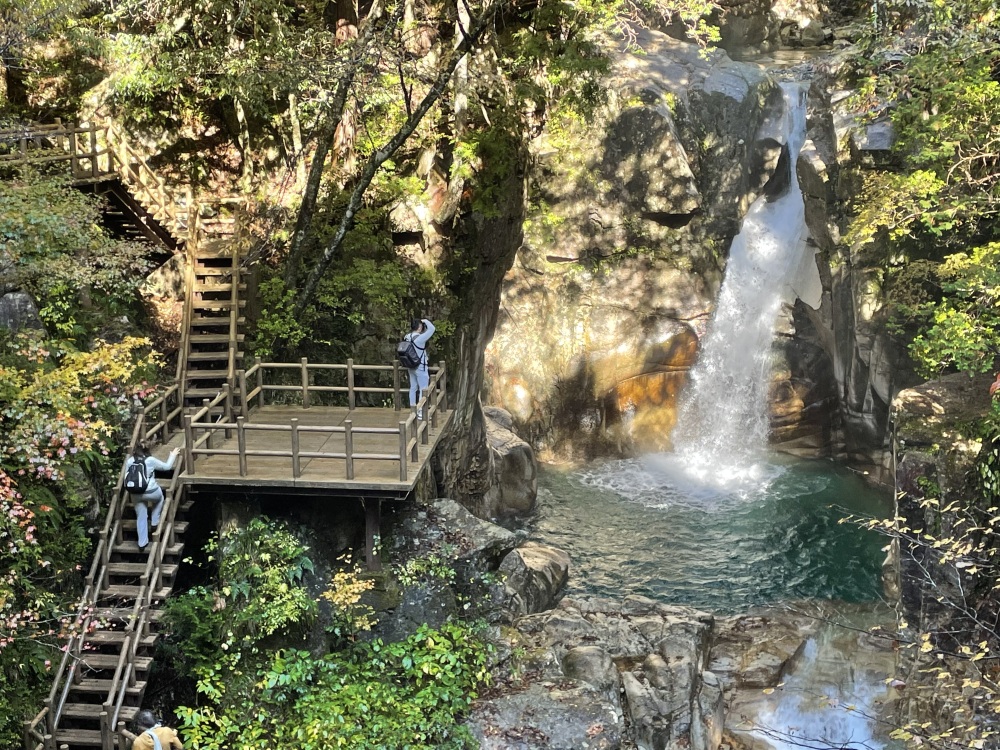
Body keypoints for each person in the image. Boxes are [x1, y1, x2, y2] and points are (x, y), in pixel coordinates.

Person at [125, 443, 180, 551]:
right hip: (151, 491)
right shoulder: (150, 460)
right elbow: (167, 467)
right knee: (160, 499)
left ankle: (142, 543)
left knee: (141, 516)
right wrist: (173, 455)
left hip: (135, 493)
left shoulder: (130, 461)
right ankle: (155, 521)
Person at [404, 317, 435, 412]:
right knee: (423, 389)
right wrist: (425, 321)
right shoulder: (420, 338)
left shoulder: (407, 337)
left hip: (410, 365)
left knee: (413, 387)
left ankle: (413, 409)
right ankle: (421, 411)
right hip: (420, 366)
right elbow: (432, 329)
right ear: (420, 327)